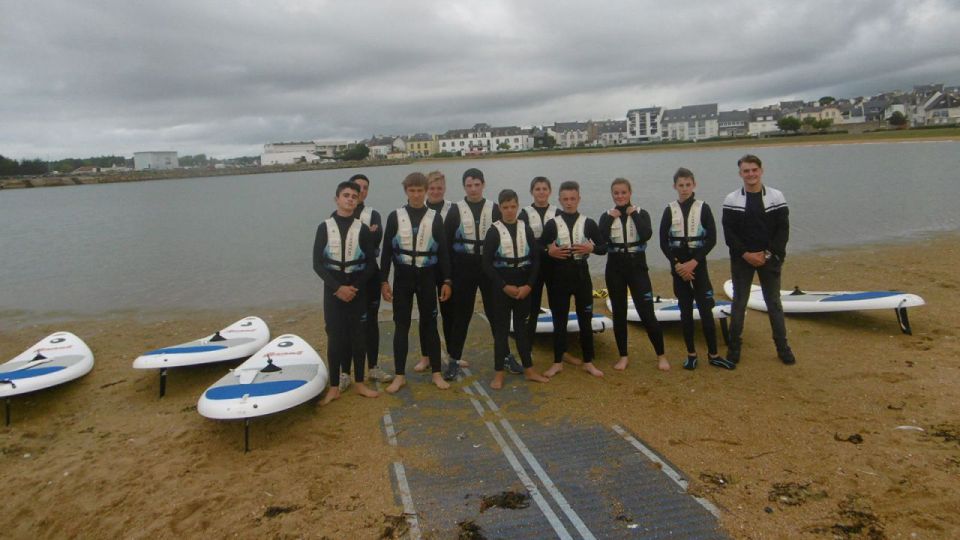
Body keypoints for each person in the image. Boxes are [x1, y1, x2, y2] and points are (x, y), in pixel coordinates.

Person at [379, 172, 452, 392]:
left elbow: (443, 253)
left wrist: (447, 281)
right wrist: (384, 281)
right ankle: (399, 376)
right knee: (401, 326)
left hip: (427, 277)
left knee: (430, 324)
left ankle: (436, 373)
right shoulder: (395, 216)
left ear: (426, 191)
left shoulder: (434, 217)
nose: (417, 195)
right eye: (412, 191)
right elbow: (386, 252)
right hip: (403, 278)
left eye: (420, 190)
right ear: (406, 191)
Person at [722, 154, 795, 365]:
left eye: (754, 170)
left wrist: (768, 254)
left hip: (769, 258)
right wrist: (746, 254)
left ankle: (783, 349)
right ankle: (734, 350)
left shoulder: (776, 197)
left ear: (761, 171)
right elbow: (729, 233)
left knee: (774, 303)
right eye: (746, 171)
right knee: (739, 303)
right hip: (742, 259)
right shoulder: (732, 200)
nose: (751, 174)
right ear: (740, 174)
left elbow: (783, 229)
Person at [312, 181, 380, 405]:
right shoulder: (324, 227)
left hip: (356, 290)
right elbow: (317, 264)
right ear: (337, 199)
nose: (350, 199)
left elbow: (371, 264)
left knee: (358, 337)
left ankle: (360, 383)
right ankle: (334, 387)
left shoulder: (362, 229)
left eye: (354, 196)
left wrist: (354, 288)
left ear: (358, 201)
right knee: (335, 338)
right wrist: (337, 288)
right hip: (333, 292)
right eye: (346, 195)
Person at [659, 168, 730, 370]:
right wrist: (677, 265)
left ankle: (714, 354)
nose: (684, 189)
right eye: (680, 185)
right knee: (685, 312)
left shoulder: (703, 208)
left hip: (698, 266)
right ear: (675, 186)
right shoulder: (669, 210)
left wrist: (694, 262)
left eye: (687, 185)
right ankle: (691, 354)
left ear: (694, 185)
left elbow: (712, 239)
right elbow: (663, 242)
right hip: (678, 269)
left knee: (706, 311)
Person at [482, 189, 551, 389]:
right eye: (505, 207)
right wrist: (504, 286)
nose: (510, 211)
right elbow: (486, 264)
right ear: (500, 208)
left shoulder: (525, 229)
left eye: (513, 206)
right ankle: (499, 373)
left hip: (523, 285)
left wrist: (529, 285)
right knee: (501, 331)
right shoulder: (494, 231)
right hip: (502, 286)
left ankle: (529, 370)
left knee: (522, 330)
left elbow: (536, 260)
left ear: (517, 206)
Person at [598, 178, 668, 371]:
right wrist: (610, 218)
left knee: (647, 313)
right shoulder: (606, 216)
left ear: (630, 193)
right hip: (615, 269)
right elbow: (601, 240)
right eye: (616, 193)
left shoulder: (641, 213)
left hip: (637, 267)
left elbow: (646, 234)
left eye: (623, 192)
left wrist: (633, 214)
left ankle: (661, 356)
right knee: (619, 313)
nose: (620, 196)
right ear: (612, 194)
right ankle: (623, 356)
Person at [539, 181, 606, 378]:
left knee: (585, 318)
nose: (569, 202)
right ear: (559, 200)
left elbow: (604, 247)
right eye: (565, 199)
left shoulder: (588, 223)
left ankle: (588, 362)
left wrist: (592, 248)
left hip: (581, 275)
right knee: (559, 320)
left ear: (579, 199)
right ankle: (557, 362)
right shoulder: (552, 224)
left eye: (572, 199)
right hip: (559, 276)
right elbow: (538, 247)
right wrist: (548, 251)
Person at [442, 168, 501, 380]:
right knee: (461, 315)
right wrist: (448, 278)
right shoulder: (455, 210)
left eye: (477, 185)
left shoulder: (494, 209)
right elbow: (446, 246)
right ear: (464, 187)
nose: (473, 189)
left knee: (495, 313)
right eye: (469, 185)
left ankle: (504, 356)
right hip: (463, 268)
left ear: (483, 184)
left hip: (488, 268)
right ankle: (454, 360)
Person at [340, 174, 395, 392]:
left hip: (370, 275)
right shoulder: (340, 216)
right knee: (347, 325)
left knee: (371, 322)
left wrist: (368, 236)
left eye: (365, 187)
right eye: (357, 187)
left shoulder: (374, 214)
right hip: (347, 278)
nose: (361, 191)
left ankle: (373, 367)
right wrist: (367, 234)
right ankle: (345, 372)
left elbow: (375, 241)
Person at [414, 170, 455, 373]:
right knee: (426, 314)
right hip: (427, 270)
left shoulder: (453, 209)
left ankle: (454, 354)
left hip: (448, 268)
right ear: (426, 189)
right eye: (432, 188)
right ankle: (426, 356)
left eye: (439, 188)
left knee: (450, 313)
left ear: (444, 188)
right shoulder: (418, 209)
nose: (436, 191)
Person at [518, 176, 560, 353]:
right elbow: (522, 241)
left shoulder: (558, 212)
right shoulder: (524, 214)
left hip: (554, 267)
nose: (541, 192)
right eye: (537, 189)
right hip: (533, 267)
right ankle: (527, 349)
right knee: (532, 307)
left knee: (557, 306)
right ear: (531, 192)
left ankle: (560, 348)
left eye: (544, 189)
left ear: (550, 191)